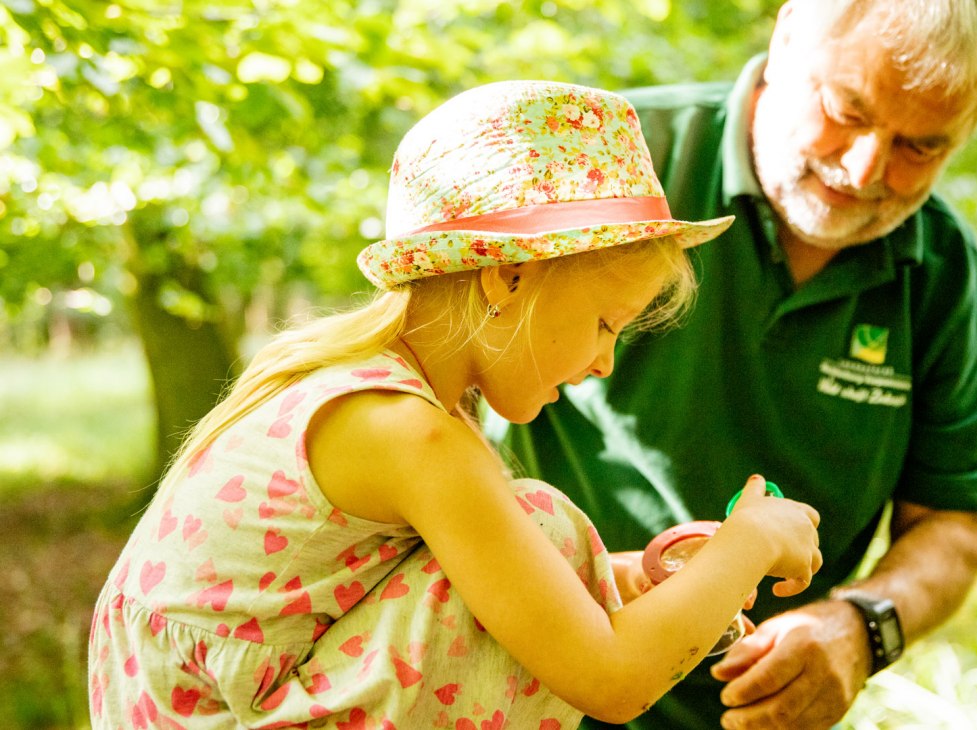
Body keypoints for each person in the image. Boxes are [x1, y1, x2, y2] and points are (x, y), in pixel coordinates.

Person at [86, 80, 825, 730]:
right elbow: (612, 678)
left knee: (541, 541)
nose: (604, 363)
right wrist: (751, 542)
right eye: (606, 324)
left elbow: (512, 582)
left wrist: (647, 577)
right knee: (544, 522)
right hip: (224, 711)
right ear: (507, 277)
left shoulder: (384, 390)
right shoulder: (405, 432)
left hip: (228, 695)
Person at [495, 1, 977, 727]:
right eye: (846, 109)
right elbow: (425, 401)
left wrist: (860, 628)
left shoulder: (944, 274)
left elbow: (951, 528)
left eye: (921, 147)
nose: (863, 168)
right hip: (515, 687)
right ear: (785, 40)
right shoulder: (612, 164)